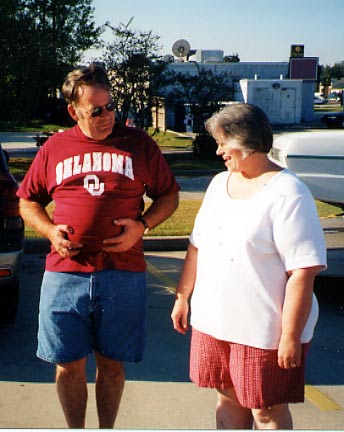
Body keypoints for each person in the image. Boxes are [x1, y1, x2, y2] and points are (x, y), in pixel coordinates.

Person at [18, 63, 179, 429]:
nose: (107, 116)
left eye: (111, 107)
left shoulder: (138, 144)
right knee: (68, 363)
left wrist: (143, 225)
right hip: (65, 275)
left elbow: (168, 194)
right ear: (74, 111)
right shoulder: (55, 148)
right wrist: (50, 231)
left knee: (112, 363)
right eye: (96, 111)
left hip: (122, 274)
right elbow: (27, 201)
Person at [171, 103, 327, 430]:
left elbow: (303, 271)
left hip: (263, 331)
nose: (217, 151)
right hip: (215, 322)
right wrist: (183, 297)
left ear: (246, 142)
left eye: (223, 143)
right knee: (226, 399)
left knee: (265, 410)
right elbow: (197, 246)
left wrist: (290, 336)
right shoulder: (219, 184)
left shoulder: (289, 192)